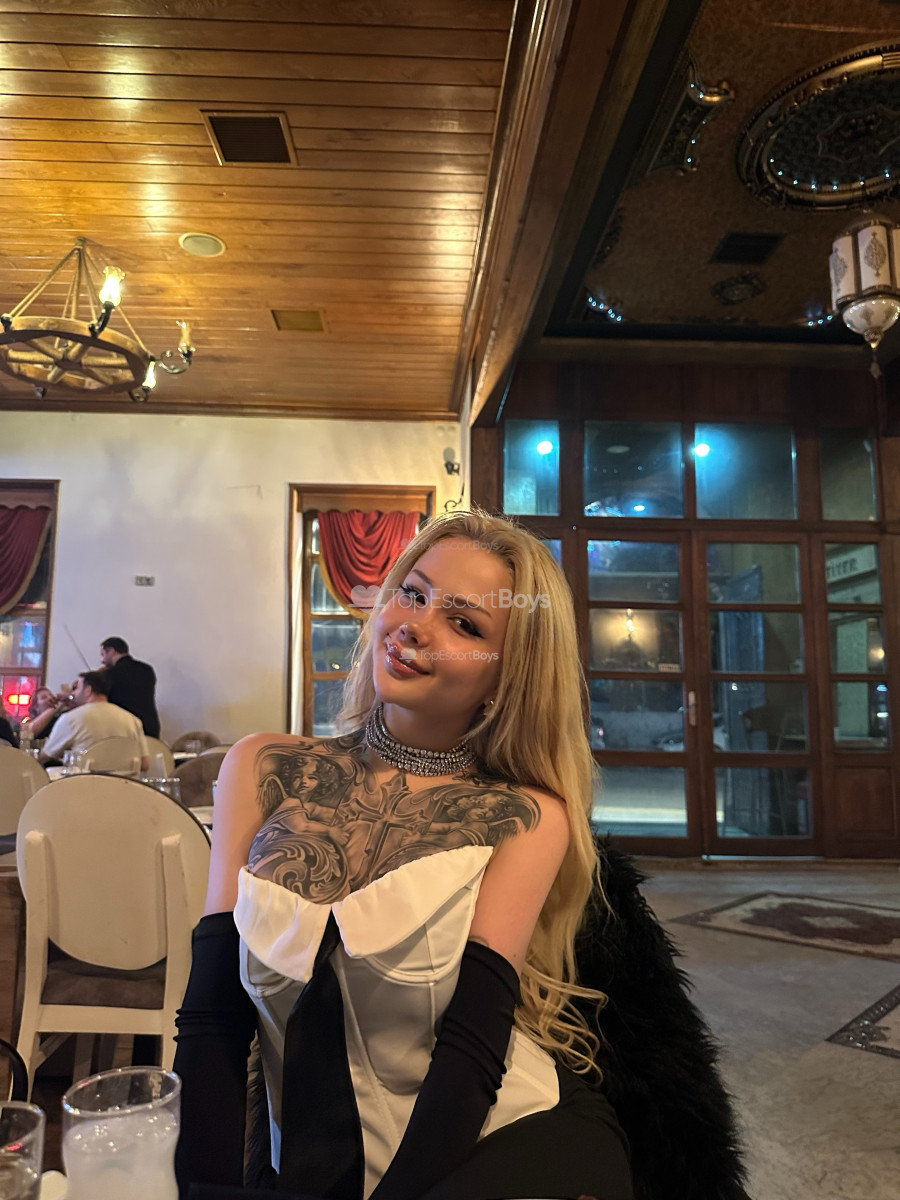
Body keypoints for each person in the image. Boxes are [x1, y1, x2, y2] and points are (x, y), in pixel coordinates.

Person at [173, 511, 634, 1200]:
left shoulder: (527, 818)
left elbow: (470, 1056)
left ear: (505, 677)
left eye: (465, 624)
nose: (415, 626)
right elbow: (212, 1018)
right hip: (298, 1154)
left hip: (489, 1144)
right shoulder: (261, 767)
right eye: (413, 594)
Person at [40, 669, 149, 773]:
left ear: (88, 690)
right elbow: (144, 764)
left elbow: (45, 756)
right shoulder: (133, 720)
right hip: (124, 784)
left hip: (82, 784)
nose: (73, 694)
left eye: (77, 688)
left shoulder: (71, 719)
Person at [100, 636, 160, 738]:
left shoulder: (110, 674)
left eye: (103, 655)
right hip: (150, 726)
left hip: (125, 728)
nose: (102, 661)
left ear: (111, 651)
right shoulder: (147, 669)